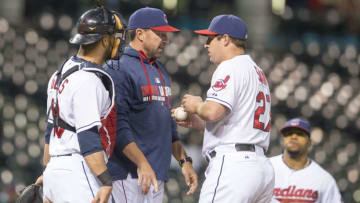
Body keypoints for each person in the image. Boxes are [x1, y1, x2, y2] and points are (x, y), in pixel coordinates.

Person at [176, 15, 274, 202]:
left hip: (235, 167)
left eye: (210, 39)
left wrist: (195, 105)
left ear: (226, 39)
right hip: (261, 169)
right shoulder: (256, 71)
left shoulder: (230, 66)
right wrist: (201, 124)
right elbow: (241, 124)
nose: (206, 45)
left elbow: (213, 111)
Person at [104, 7, 198, 203]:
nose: (165, 39)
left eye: (166, 34)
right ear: (140, 34)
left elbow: (168, 124)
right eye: (159, 33)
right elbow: (117, 126)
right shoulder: (118, 67)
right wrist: (142, 163)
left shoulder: (160, 69)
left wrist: (184, 161)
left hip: (155, 173)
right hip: (128, 174)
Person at [35, 7, 127, 203]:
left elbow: (50, 132)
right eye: (115, 36)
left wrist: (49, 175)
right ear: (104, 39)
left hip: (56, 168)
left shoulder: (59, 74)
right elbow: (87, 137)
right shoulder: (89, 79)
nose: (118, 41)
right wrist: (105, 181)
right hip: (79, 171)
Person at [270, 118, 342, 202]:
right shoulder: (267, 167)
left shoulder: (324, 179)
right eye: (289, 134)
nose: (293, 137)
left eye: (300, 134)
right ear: (283, 140)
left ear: (309, 142)